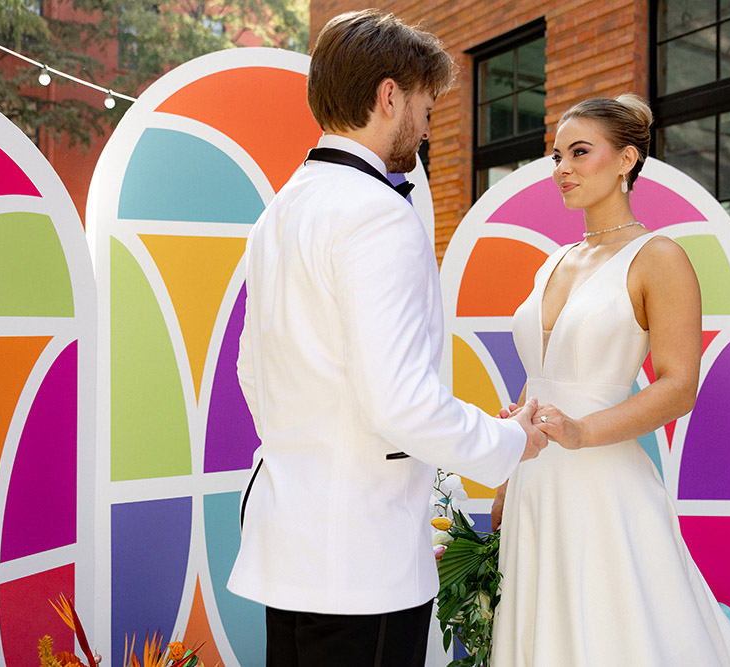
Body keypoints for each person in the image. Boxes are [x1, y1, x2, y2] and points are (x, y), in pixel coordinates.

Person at [226, 10, 547, 667]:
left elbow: (252, 373)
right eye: (427, 109)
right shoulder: (378, 214)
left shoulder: (280, 210)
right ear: (389, 95)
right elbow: (400, 403)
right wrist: (512, 439)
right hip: (361, 555)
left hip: (288, 536)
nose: (428, 131)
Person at [489, 95, 730, 666]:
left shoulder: (658, 256)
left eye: (580, 152)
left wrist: (581, 432)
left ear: (626, 160)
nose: (561, 168)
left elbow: (679, 385)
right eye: (557, 155)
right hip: (535, 483)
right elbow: (537, 385)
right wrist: (505, 479)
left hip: (604, 487)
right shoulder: (554, 260)